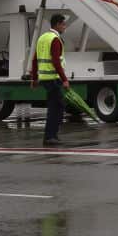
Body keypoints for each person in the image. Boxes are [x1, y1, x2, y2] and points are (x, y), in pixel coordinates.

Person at [31, 14, 70, 145]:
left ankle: (51, 135)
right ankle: (50, 136)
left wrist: (35, 78)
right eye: (63, 24)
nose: (65, 27)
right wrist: (65, 79)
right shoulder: (55, 39)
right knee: (58, 107)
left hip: (45, 78)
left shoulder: (42, 38)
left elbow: (35, 60)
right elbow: (55, 61)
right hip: (53, 78)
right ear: (58, 24)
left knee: (55, 106)